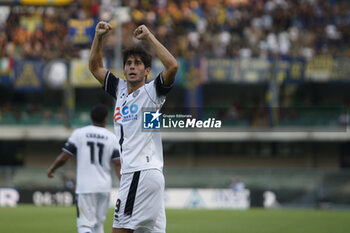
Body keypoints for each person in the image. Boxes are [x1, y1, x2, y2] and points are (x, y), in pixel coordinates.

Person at [89, 21, 178, 233]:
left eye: (138, 63)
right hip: (148, 174)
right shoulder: (119, 89)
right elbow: (95, 67)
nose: (132, 66)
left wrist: (148, 37)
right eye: (128, 63)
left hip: (140, 171)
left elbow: (172, 66)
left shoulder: (151, 92)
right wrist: (98, 37)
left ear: (147, 70)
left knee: (120, 230)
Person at [47, 104, 121, 233]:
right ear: (105, 118)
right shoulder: (112, 137)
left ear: (91, 117)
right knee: (98, 225)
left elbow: (65, 156)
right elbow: (117, 163)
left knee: (85, 225)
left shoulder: (79, 134)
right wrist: (124, 184)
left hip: (85, 186)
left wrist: (53, 168)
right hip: (104, 187)